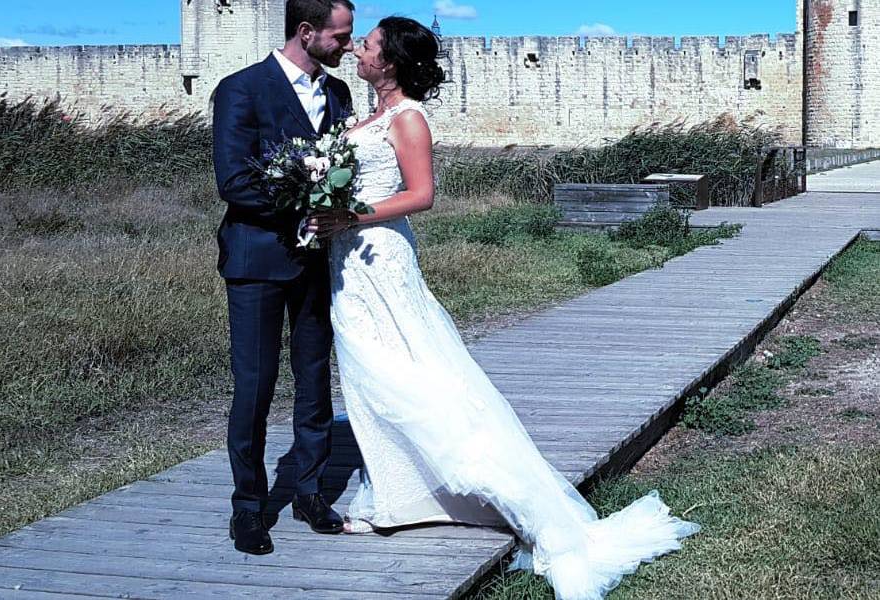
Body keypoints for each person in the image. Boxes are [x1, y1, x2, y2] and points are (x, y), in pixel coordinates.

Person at [307, 16, 701, 599]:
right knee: (368, 378)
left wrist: (350, 217)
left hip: (381, 258)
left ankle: (481, 487)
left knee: (410, 375)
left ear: (388, 62)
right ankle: (397, 495)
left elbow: (421, 195)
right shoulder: (360, 117)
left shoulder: (407, 117)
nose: (357, 50)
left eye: (366, 45)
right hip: (349, 264)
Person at [211, 0, 358, 555]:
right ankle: (248, 507)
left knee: (316, 377)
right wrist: (304, 208)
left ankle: (310, 491)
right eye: (340, 37)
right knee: (254, 385)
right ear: (306, 32)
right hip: (256, 260)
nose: (348, 45)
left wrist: (337, 208)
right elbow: (234, 182)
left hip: (318, 261)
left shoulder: (339, 94)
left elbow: (347, 167)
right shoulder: (241, 89)